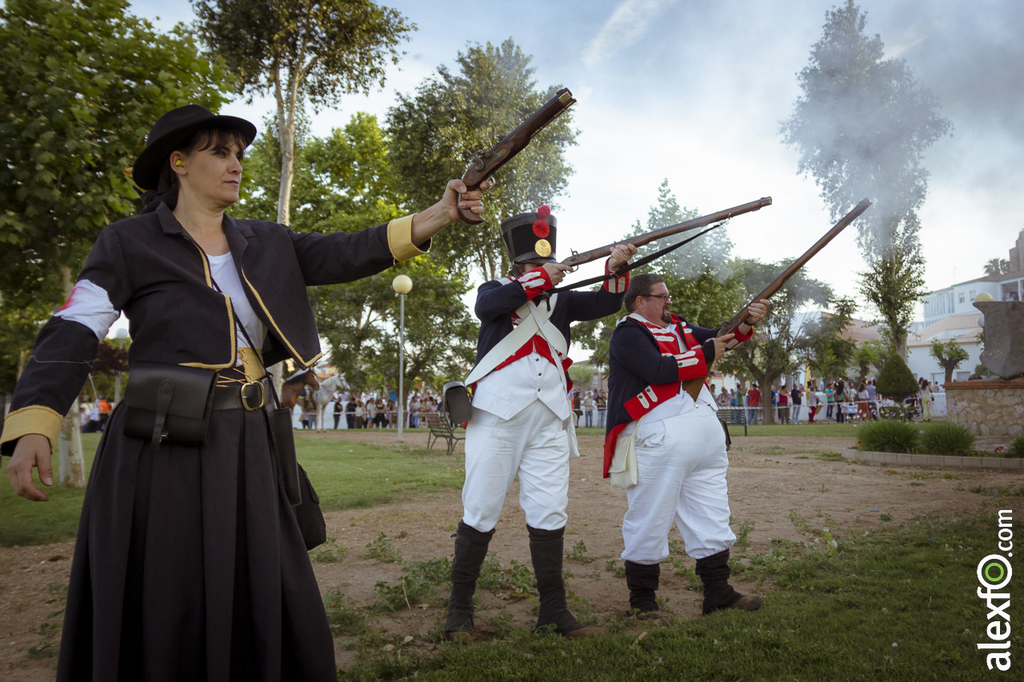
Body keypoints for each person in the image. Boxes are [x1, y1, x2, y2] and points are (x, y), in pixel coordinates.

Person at [0, 104, 488, 681]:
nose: (235, 165)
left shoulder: (267, 241)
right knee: (168, 593)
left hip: (251, 441)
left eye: (239, 155)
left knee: (271, 581)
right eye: (219, 153)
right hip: (161, 452)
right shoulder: (128, 241)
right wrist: (37, 418)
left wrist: (442, 212)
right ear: (178, 163)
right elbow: (76, 325)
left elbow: (348, 250)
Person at [443, 207, 636, 640]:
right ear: (520, 266)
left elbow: (606, 301)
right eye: (533, 266)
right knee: (481, 509)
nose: (541, 271)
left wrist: (615, 268)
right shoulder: (497, 289)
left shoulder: (561, 300)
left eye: (544, 265)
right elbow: (488, 305)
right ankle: (459, 611)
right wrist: (543, 276)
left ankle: (553, 610)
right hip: (497, 416)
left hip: (550, 417)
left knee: (550, 511)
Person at [603, 273, 768, 618]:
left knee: (711, 517)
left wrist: (745, 321)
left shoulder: (678, 327)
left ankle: (718, 591)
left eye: (668, 297)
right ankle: (643, 601)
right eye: (662, 297)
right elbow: (658, 370)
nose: (668, 303)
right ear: (640, 302)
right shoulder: (628, 333)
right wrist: (707, 351)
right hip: (659, 438)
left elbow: (721, 339)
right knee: (649, 518)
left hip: (703, 439)